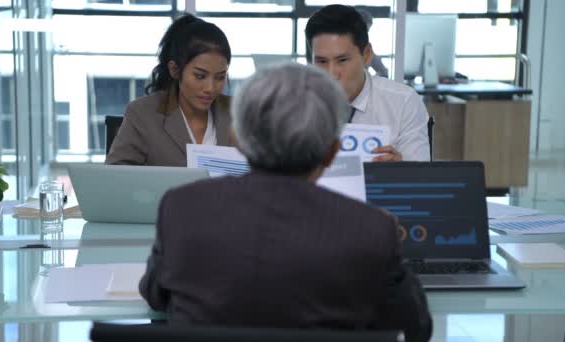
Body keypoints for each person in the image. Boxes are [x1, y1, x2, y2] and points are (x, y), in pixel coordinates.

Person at [139, 63, 433, 342]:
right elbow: (415, 329)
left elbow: (156, 295)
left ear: (237, 140)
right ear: (332, 152)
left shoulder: (181, 207)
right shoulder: (371, 229)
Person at [305, 4, 430, 162]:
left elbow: (420, 180)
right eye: (321, 61)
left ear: (367, 55)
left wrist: (401, 170)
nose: (332, 74)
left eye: (342, 60)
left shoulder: (403, 102)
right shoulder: (294, 104)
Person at [106, 14, 233, 166]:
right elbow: (116, 178)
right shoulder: (143, 114)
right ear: (175, 70)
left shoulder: (240, 114)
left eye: (220, 77)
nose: (210, 88)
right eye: (200, 76)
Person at [355, 7, 390, 78]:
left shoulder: (366, 50)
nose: (365, 34)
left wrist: (369, 82)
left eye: (367, 31)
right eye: (364, 30)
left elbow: (383, 72)